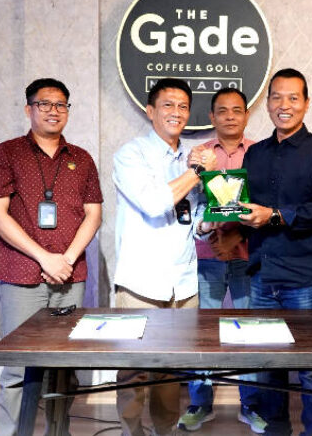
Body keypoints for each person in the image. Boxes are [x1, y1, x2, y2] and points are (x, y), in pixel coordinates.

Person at [0, 78, 103, 436]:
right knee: (18, 367)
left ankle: (58, 432)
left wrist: (66, 258)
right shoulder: (7, 153)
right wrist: (44, 258)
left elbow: (93, 214)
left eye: (61, 104)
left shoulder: (81, 159)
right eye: (45, 103)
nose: (54, 110)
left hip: (69, 275)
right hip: (21, 274)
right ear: (29, 109)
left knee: (63, 367)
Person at [238, 68, 312, 436]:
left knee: (311, 365)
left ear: (306, 103)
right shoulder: (255, 154)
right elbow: (246, 206)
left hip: (306, 275)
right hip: (262, 273)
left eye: (293, 97)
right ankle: (276, 429)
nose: (285, 105)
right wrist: (225, 218)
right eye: (277, 97)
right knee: (268, 362)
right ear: (267, 104)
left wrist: (274, 215)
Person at [112, 77, 217, 436]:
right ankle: (131, 432)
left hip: (183, 284)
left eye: (183, 106)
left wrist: (214, 220)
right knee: (133, 370)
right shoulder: (131, 155)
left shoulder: (192, 158)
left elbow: (196, 219)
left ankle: (165, 431)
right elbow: (155, 203)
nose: (177, 112)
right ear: (150, 111)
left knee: (171, 371)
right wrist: (197, 172)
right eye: (168, 105)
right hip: (140, 283)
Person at [175, 88, 265, 433]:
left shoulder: (261, 153)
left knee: (250, 333)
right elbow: (192, 203)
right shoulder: (199, 155)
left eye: (237, 110)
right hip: (206, 256)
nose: (230, 116)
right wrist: (209, 233)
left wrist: (235, 236)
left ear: (246, 115)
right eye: (222, 111)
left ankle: (251, 404)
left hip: (249, 256)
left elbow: (263, 205)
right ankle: (200, 403)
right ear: (211, 117)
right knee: (203, 333)